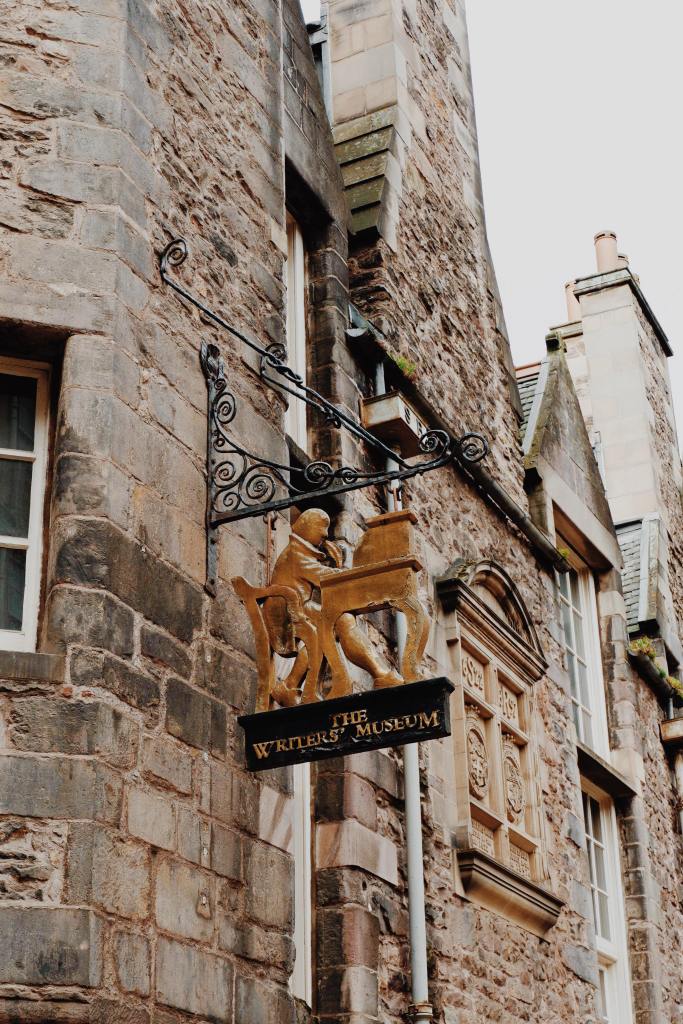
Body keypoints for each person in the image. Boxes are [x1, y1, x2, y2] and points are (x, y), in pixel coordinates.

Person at [263, 509, 402, 702]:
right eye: (322, 529)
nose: (325, 535)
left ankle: (290, 685)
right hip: (285, 614)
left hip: (297, 608)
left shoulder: (301, 553)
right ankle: (379, 674)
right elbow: (324, 577)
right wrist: (341, 568)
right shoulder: (296, 555)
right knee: (338, 621)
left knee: (340, 621)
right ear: (307, 526)